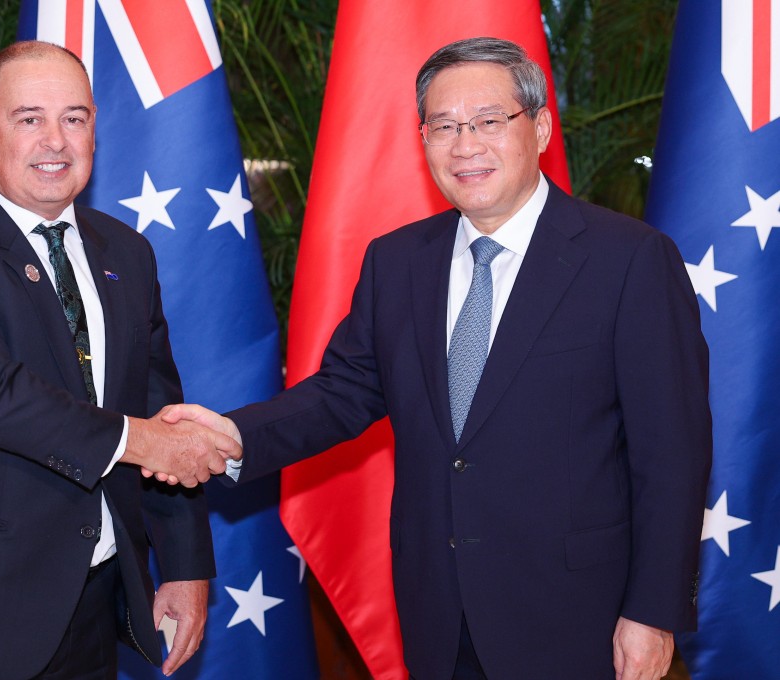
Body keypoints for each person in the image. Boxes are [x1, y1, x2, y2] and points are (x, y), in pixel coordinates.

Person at [162, 37, 712, 680]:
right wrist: (230, 436)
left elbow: (671, 453)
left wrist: (652, 613)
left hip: (578, 615)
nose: (465, 145)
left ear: (538, 129)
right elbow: (343, 391)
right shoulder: (398, 262)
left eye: (487, 122)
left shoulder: (629, 259)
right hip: (437, 609)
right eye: (443, 126)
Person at [0, 41, 237, 679]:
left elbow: (159, 410)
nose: (55, 140)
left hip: (95, 604)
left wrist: (182, 564)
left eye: (74, 118)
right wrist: (141, 441)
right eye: (29, 118)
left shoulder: (127, 251)